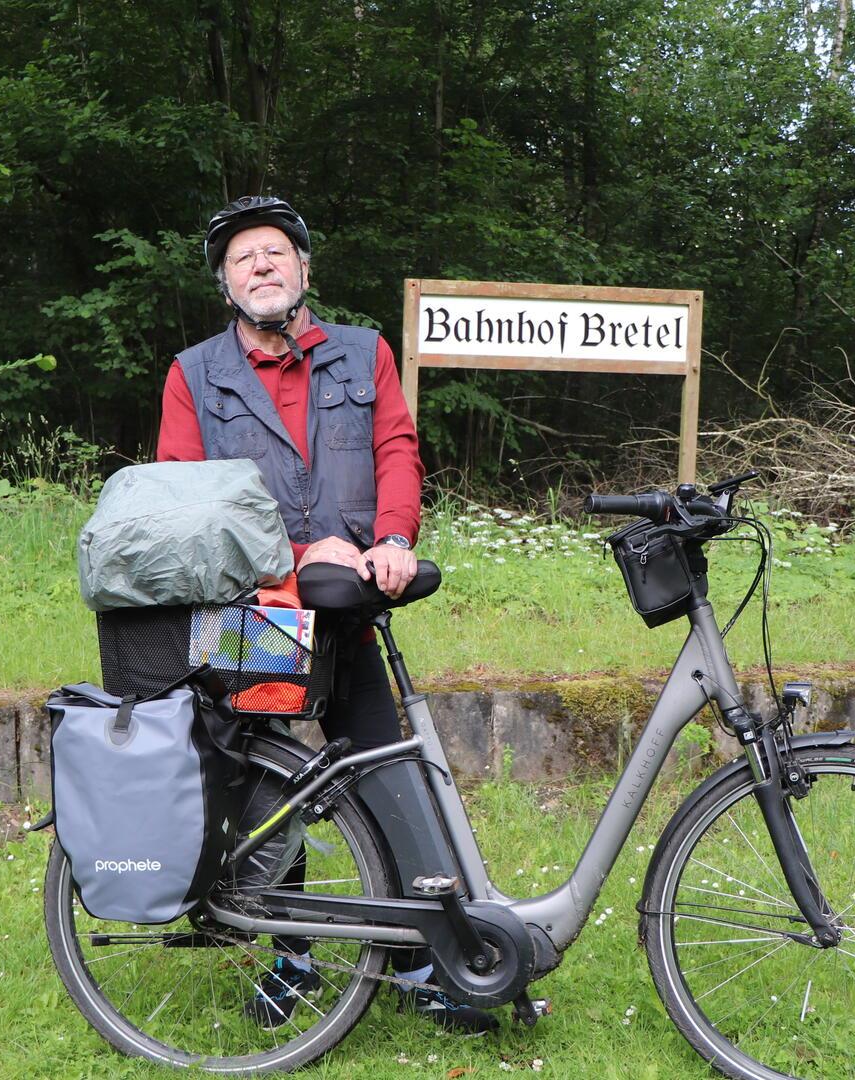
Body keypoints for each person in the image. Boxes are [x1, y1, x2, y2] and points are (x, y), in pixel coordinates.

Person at [156, 195, 497, 1036]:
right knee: (266, 782)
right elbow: (185, 505)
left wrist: (392, 535)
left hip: (349, 608)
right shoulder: (194, 374)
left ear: (306, 270)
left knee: (384, 767)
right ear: (225, 285)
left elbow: (395, 450)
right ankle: (296, 956)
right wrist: (293, 557)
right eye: (243, 259)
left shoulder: (362, 352)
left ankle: (425, 958)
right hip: (256, 611)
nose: (262, 266)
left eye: (275, 253)